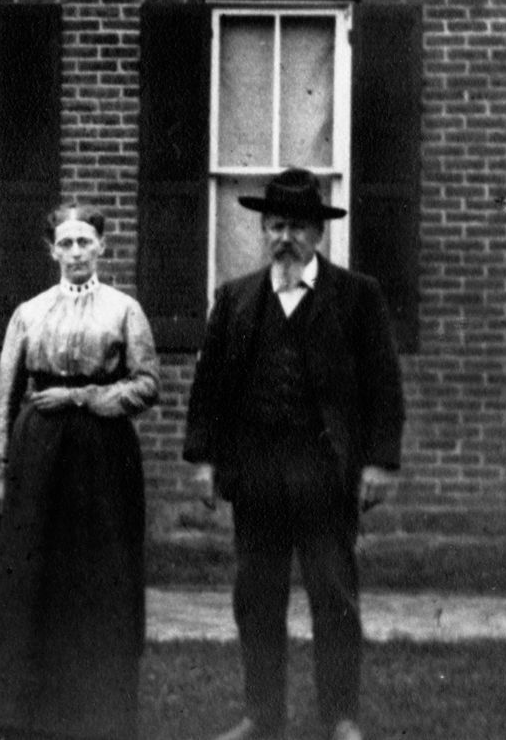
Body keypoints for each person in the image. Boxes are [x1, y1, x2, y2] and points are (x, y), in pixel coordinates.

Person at [183, 168, 406, 740]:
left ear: (318, 234)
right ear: (263, 230)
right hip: (256, 473)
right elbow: (210, 387)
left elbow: (383, 384)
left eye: (298, 228)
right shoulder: (236, 299)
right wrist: (204, 460)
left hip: (326, 474)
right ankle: (262, 715)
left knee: (334, 596)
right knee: (257, 599)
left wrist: (381, 461)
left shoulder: (356, 297)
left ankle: (341, 718)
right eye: (277, 226)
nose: (286, 238)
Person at [0, 206, 160, 740]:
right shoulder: (29, 313)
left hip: (103, 450)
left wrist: (84, 396)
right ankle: (23, 706)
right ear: (52, 250)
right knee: (30, 569)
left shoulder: (124, 310)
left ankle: (95, 706)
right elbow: (3, 396)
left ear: (102, 246)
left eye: (84, 242)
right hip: (38, 450)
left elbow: (147, 385)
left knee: (96, 571)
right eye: (65, 243)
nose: (75, 252)